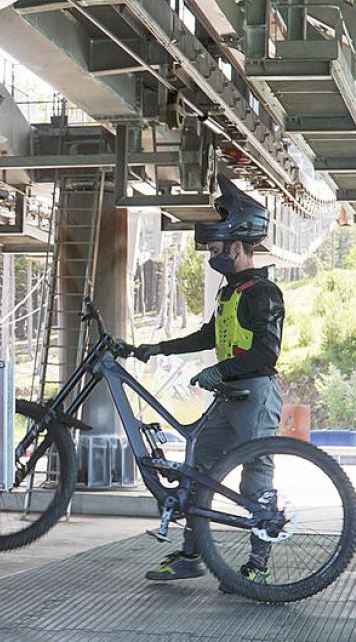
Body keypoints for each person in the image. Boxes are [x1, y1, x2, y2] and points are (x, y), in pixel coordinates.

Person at [133, 173, 285, 589]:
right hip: (229, 395)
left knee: (255, 472)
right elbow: (208, 335)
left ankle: (258, 564)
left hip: (254, 393)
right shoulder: (230, 291)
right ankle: (192, 554)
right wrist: (159, 348)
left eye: (216, 249)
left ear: (237, 247)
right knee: (199, 467)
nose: (211, 256)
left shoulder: (262, 292)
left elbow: (266, 354)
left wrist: (220, 370)